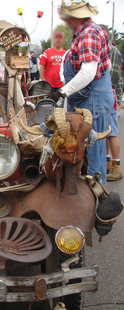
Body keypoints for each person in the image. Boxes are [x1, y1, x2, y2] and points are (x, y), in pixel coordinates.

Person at [49, 0, 113, 183]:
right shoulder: (83, 34)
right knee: (88, 151)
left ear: (74, 18)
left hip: (93, 99)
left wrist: (61, 93)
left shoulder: (89, 34)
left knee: (94, 154)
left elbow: (88, 72)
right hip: (89, 98)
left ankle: (99, 204)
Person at [98, 25, 123, 181]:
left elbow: (112, 78)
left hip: (111, 96)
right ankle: (107, 162)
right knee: (106, 131)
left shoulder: (111, 51)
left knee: (112, 132)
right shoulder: (107, 49)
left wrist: (105, 96)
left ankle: (117, 165)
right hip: (109, 96)